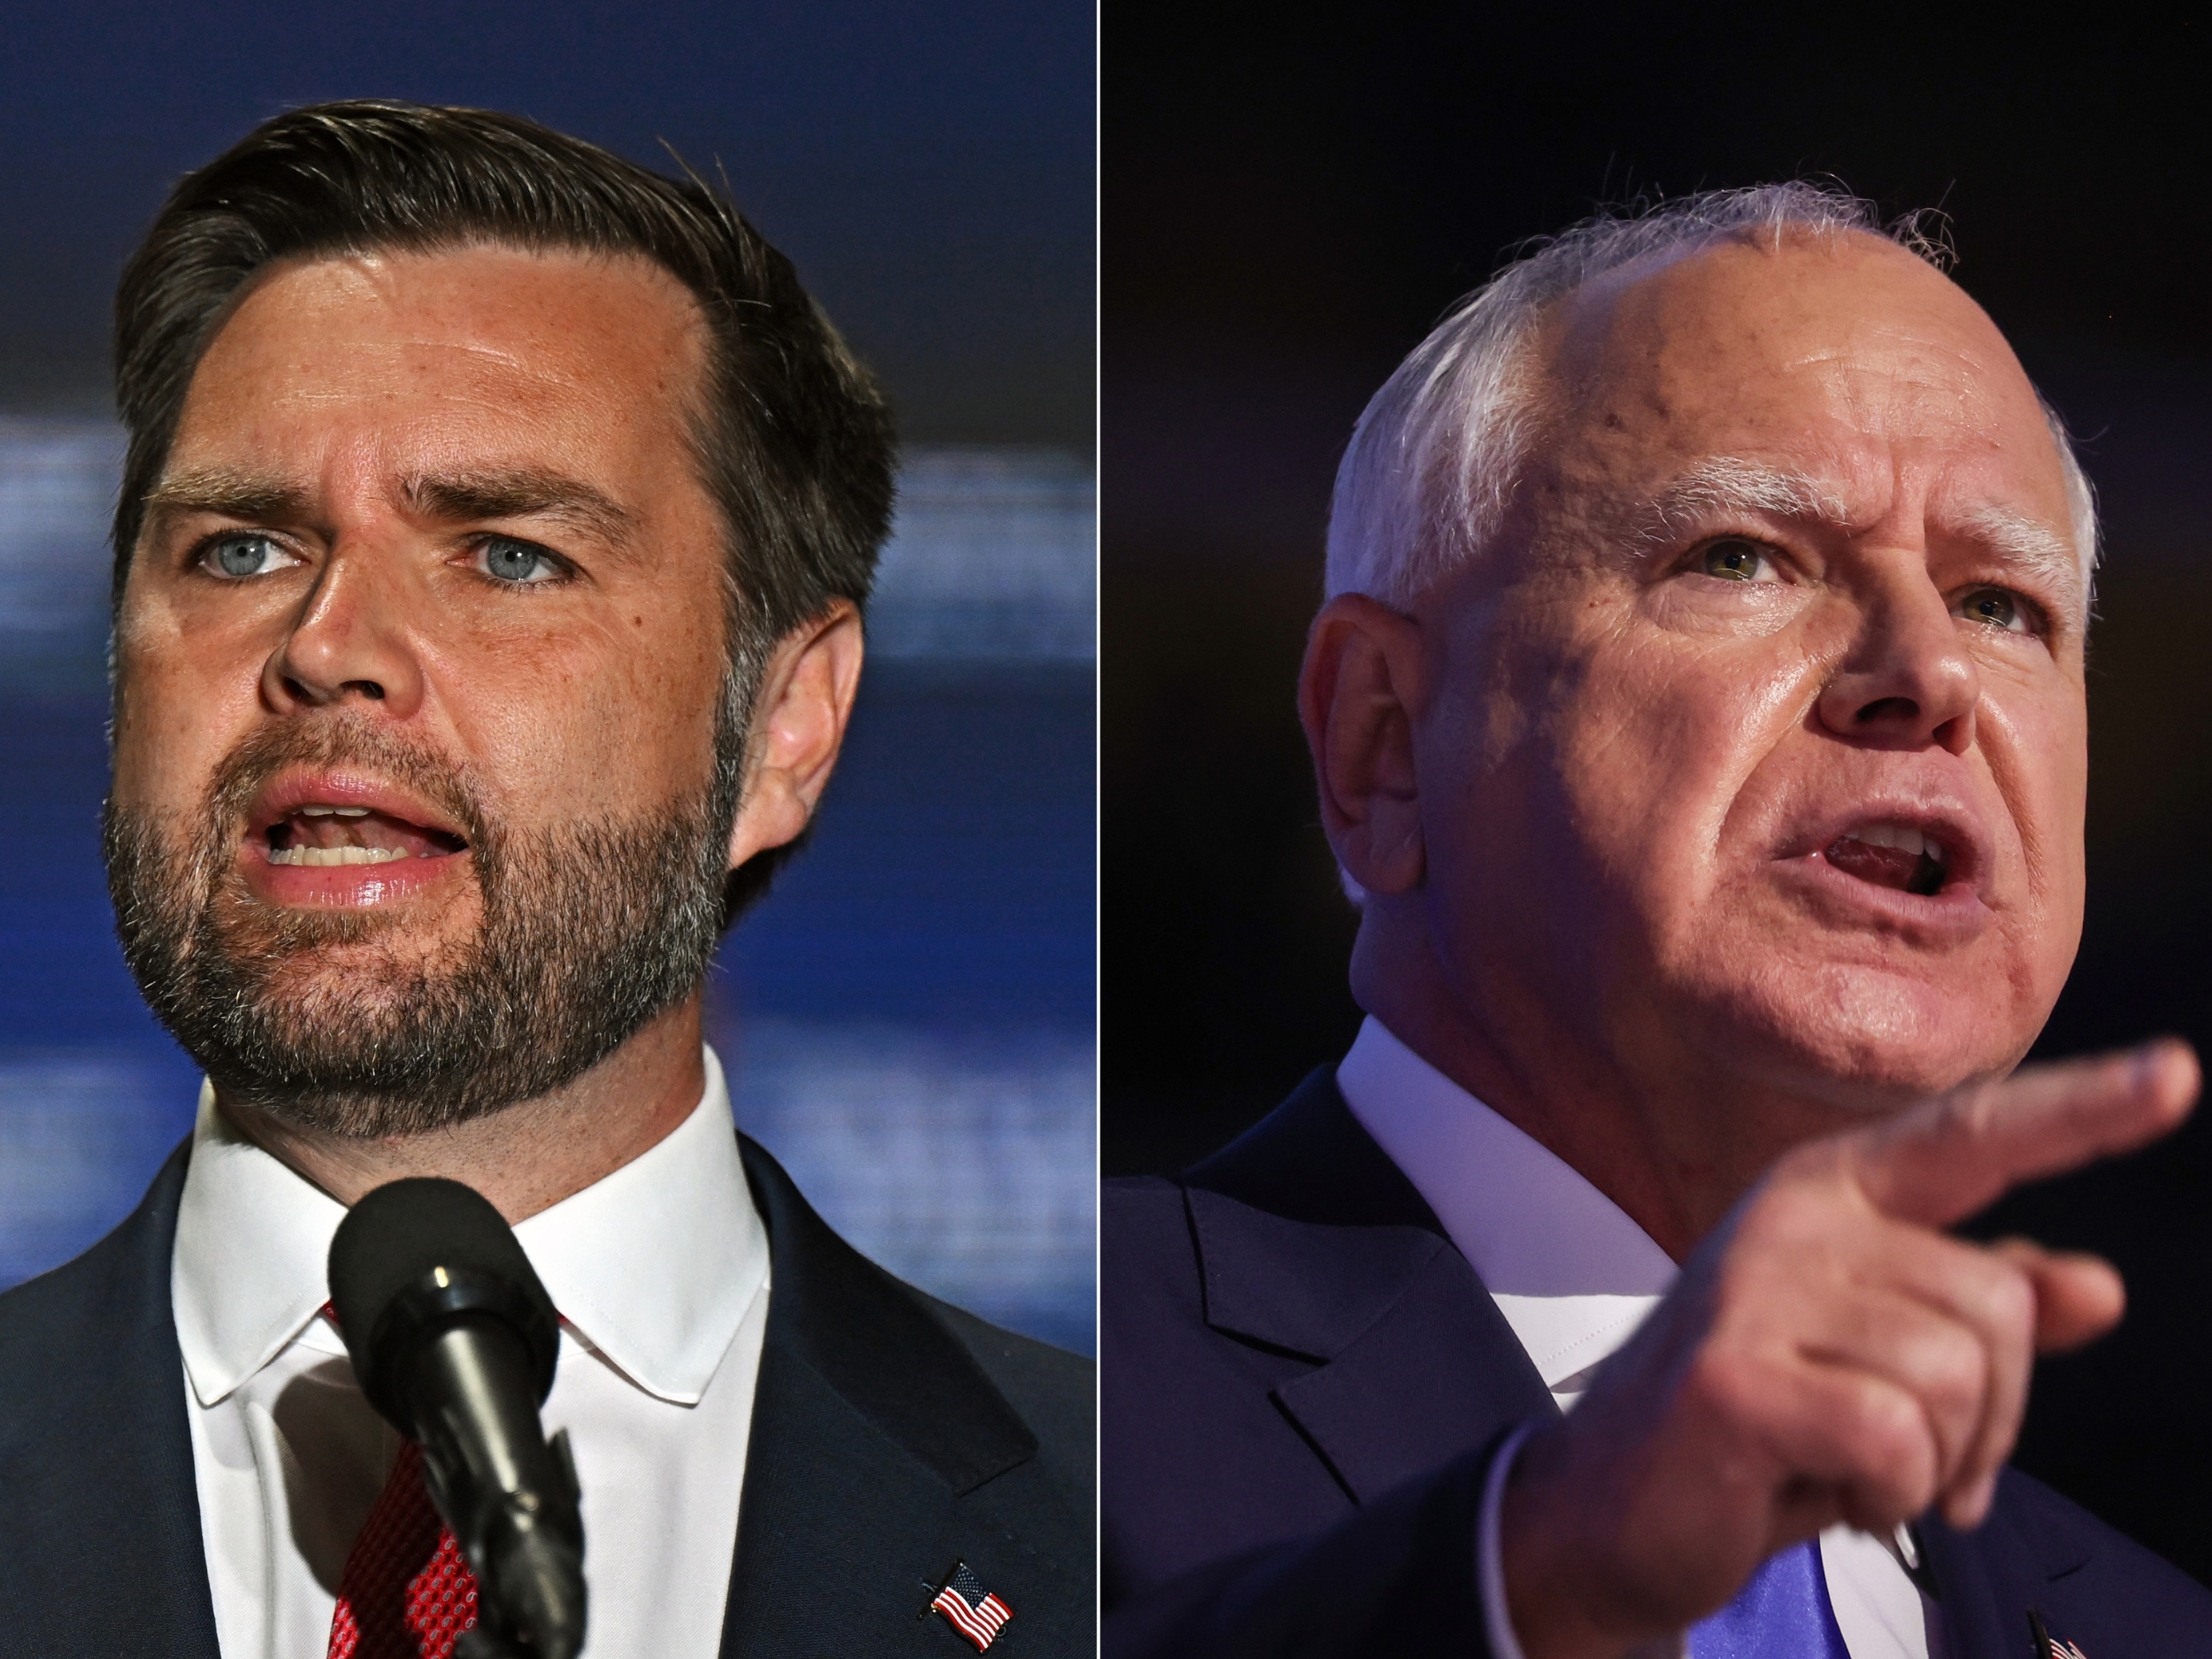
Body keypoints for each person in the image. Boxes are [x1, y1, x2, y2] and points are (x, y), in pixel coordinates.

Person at [0, 102, 1089, 1659]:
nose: (327, 648)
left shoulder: (1134, 1539)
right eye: (241, 549)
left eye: (508, 553)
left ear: (786, 725)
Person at [1102, 183, 2212, 1658]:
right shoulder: (1017, 1391)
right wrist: (1533, 1580)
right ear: (1380, 744)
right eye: (1743, 556)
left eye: (2004, 603)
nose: (1926, 669)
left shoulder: (2155, 1628)